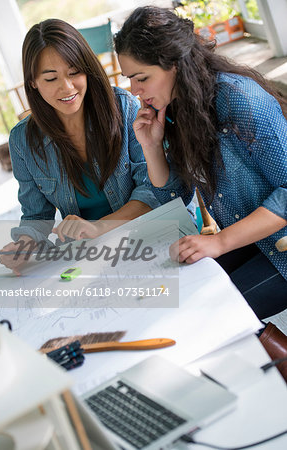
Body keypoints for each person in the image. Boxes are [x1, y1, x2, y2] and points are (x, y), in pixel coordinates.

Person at [114, 6, 287, 320]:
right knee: (173, 293)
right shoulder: (178, 108)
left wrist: (219, 241)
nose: (134, 91)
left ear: (175, 65)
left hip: (282, 250)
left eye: (142, 78)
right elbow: (174, 196)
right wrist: (151, 147)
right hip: (251, 239)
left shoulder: (240, 99)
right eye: (130, 79)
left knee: (208, 316)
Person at [0, 18, 161, 275]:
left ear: (87, 69)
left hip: (145, 238)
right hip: (89, 257)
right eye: (51, 78)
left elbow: (153, 189)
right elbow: (36, 216)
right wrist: (24, 245)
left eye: (74, 72)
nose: (67, 87)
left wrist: (99, 227)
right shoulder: (22, 141)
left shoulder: (124, 107)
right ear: (32, 82)